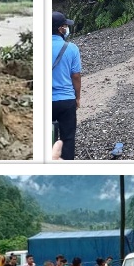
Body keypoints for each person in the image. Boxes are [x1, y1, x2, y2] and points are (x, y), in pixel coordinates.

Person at [51, 11, 81, 160]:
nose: (66, 28)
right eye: (65, 26)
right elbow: (75, 76)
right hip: (66, 100)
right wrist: (77, 97)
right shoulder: (72, 48)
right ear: (60, 29)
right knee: (68, 138)